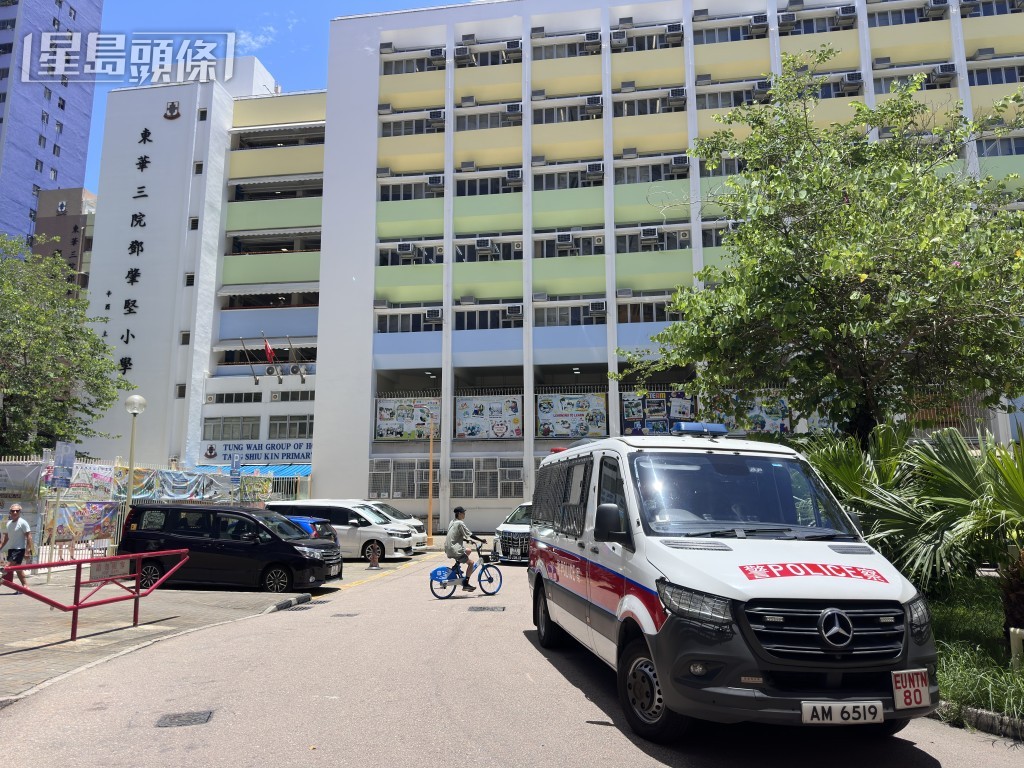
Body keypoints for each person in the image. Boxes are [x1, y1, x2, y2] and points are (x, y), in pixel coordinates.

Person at [444, 506, 484, 592]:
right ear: (459, 514)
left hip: (449, 548)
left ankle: (456, 567)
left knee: (468, 550)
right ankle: (466, 584)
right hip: (455, 550)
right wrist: (481, 540)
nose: (464, 514)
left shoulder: (452, 522)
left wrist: (469, 541)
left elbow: (456, 535)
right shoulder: (460, 523)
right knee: (471, 563)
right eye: (463, 513)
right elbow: (470, 534)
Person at [1, 504, 34, 591]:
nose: (15, 512)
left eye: (17, 511)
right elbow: (6, 538)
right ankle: (25, 587)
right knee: (18, 569)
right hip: (11, 550)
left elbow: (29, 537)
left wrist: (27, 551)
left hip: (19, 549)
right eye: (13, 511)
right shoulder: (8, 523)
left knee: (6, 567)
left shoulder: (23, 522)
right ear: (10, 512)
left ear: (20, 512)